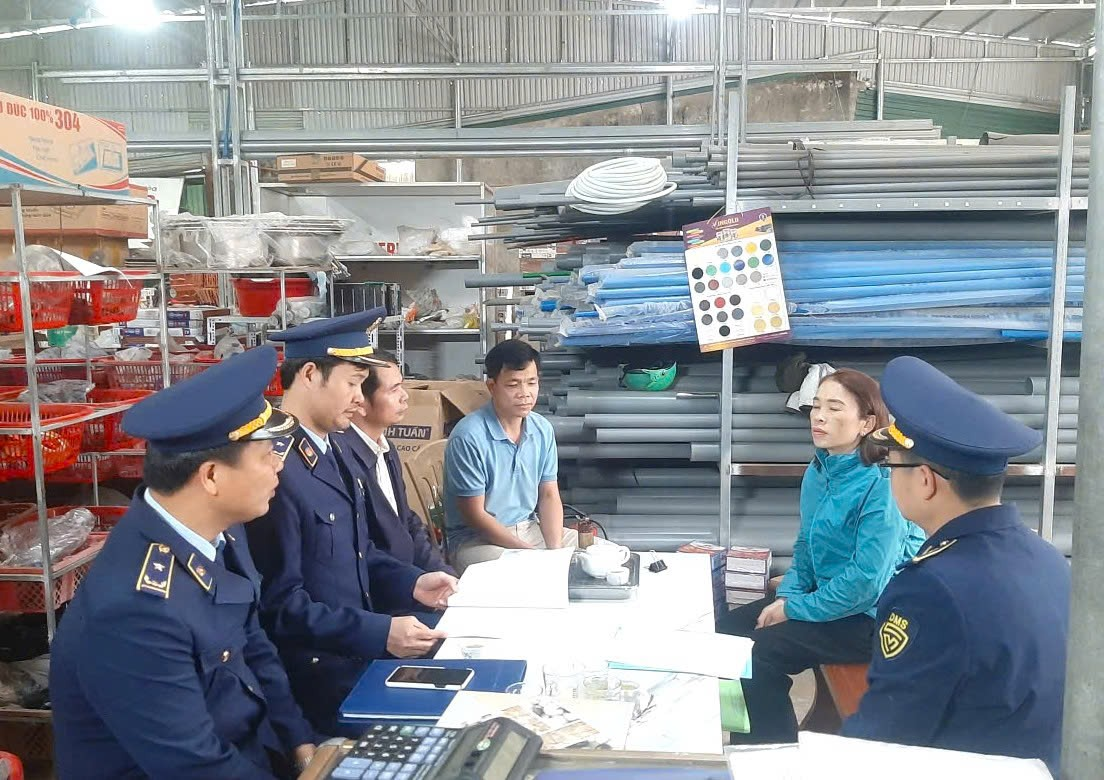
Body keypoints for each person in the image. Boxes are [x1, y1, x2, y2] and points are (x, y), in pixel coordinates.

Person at [50, 346, 318, 779]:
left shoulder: (218, 531)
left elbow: (254, 646)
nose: (279, 468)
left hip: (251, 754)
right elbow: (195, 765)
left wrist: (302, 746)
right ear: (211, 476)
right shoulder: (136, 610)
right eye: (267, 455)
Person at [843, 356, 1070, 774]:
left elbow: (882, 738)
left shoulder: (931, 590)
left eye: (892, 466)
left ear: (925, 481)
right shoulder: (1049, 560)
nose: (889, 479)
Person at [246, 309, 458, 736]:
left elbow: (361, 552)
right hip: (320, 678)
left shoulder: (337, 450)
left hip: (360, 652)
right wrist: (379, 632)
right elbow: (280, 606)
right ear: (310, 374)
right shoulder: (276, 471)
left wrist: (413, 583)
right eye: (352, 384)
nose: (361, 399)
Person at [716, 368, 924, 744]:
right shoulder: (820, 470)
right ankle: (745, 742)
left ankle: (773, 758)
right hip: (832, 598)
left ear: (867, 423)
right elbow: (806, 546)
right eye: (816, 406)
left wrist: (795, 609)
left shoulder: (882, 483)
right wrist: (790, 596)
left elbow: (867, 582)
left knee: (758, 655)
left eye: (834, 408)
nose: (819, 416)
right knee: (724, 632)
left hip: (875, 616)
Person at [444, 339, 578, 572]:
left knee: (607, 555)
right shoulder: (469, 437)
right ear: (492, 386)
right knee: (526, 571)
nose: (524, 394)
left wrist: (555, 551)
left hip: (530, 529)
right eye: (513, 384)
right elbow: (475, 516)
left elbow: (548, 495)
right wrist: (531, 554)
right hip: (477, 541)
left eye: (531, 383)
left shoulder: (542, 429)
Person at [337, 350, 455, 579]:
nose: (405, 396)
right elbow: (367, 547)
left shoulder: (386, 448)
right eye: (394, 389)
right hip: (386, 586)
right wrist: (414, 583)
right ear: (360, 402)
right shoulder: (344, 459)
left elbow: (407, 520)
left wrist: (441, 572)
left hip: (411, 578)